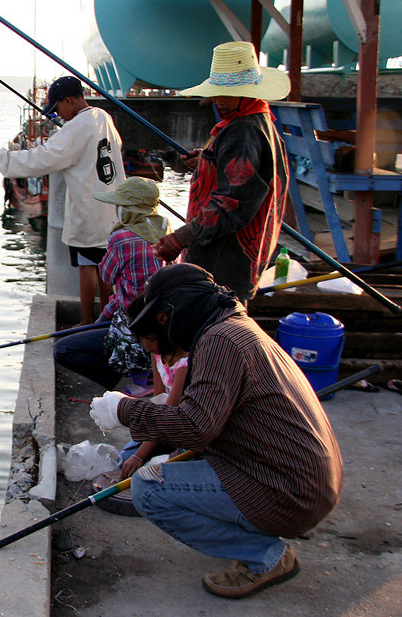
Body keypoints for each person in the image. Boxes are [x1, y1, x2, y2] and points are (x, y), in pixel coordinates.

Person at [89, 263, 342, 598]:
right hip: (303, 482)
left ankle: (267, 557)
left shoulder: (218, 341)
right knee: (170, 465)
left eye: (163, 319)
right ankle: (260, 528)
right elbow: (203, 424)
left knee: (148, 489)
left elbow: (195, 428)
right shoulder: (234, 325)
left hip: (289, 491)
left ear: (176, 312)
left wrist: (123, 409)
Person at [153, 41, 290, 302]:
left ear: (247, 92)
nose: (218, 101)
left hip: (223, 260)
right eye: (216, 92)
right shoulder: (259, 123)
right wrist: (207, 161)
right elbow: (247, 177)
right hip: (240, 260)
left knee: (212, 330)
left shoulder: (243, 132)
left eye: (226, 93)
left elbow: (232, 204)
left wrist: (180, 238)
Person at [0, 76, 126, 324]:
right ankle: (107, 318)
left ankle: (85, 321)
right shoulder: (103, 116)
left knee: (87, 265)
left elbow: (43, 159)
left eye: (58, 108)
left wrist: (1, 157)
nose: (58, 115)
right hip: (112, 205)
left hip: (88, 206)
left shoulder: (75, 127)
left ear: (69, 101)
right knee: (106, 266)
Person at [52, 177, 164, 390]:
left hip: (134, 323)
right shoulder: (165, 229)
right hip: (157, 318)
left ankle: (131, 377)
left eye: (120, 205)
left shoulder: (122, 237)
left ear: (129, 209)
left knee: (63, 349)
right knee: (96, 327)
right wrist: (102, 319)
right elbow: (119, 294)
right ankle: (140, 371)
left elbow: (107, 275)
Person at [119, 292, 188, 480]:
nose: (146, 345)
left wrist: (139, 455)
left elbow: (169, 414)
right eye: (142, 339)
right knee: (123, 460)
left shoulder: (184, 363)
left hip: (181, 429)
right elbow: (158, 401)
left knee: (142, 467)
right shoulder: (156, 354)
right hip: (163, 425)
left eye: (150, 339)